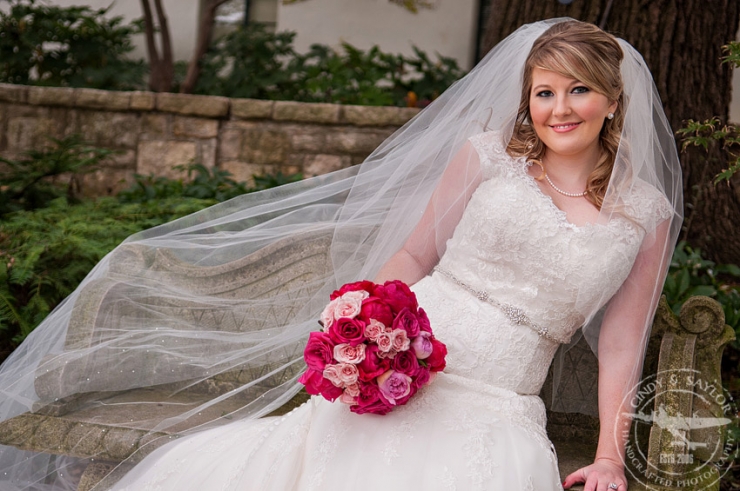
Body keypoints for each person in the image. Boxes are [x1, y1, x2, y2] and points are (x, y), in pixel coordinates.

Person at [0, 18, 681, 491]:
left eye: (579, 89)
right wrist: (373, 325)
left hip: (500, 401)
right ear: (527, 99)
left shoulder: (644, 216)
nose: (560, 108)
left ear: (613, 100)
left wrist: (609, 457)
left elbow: (621, 342)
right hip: (405, 368)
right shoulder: (486, 159)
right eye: (544, 92)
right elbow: (414, 253)